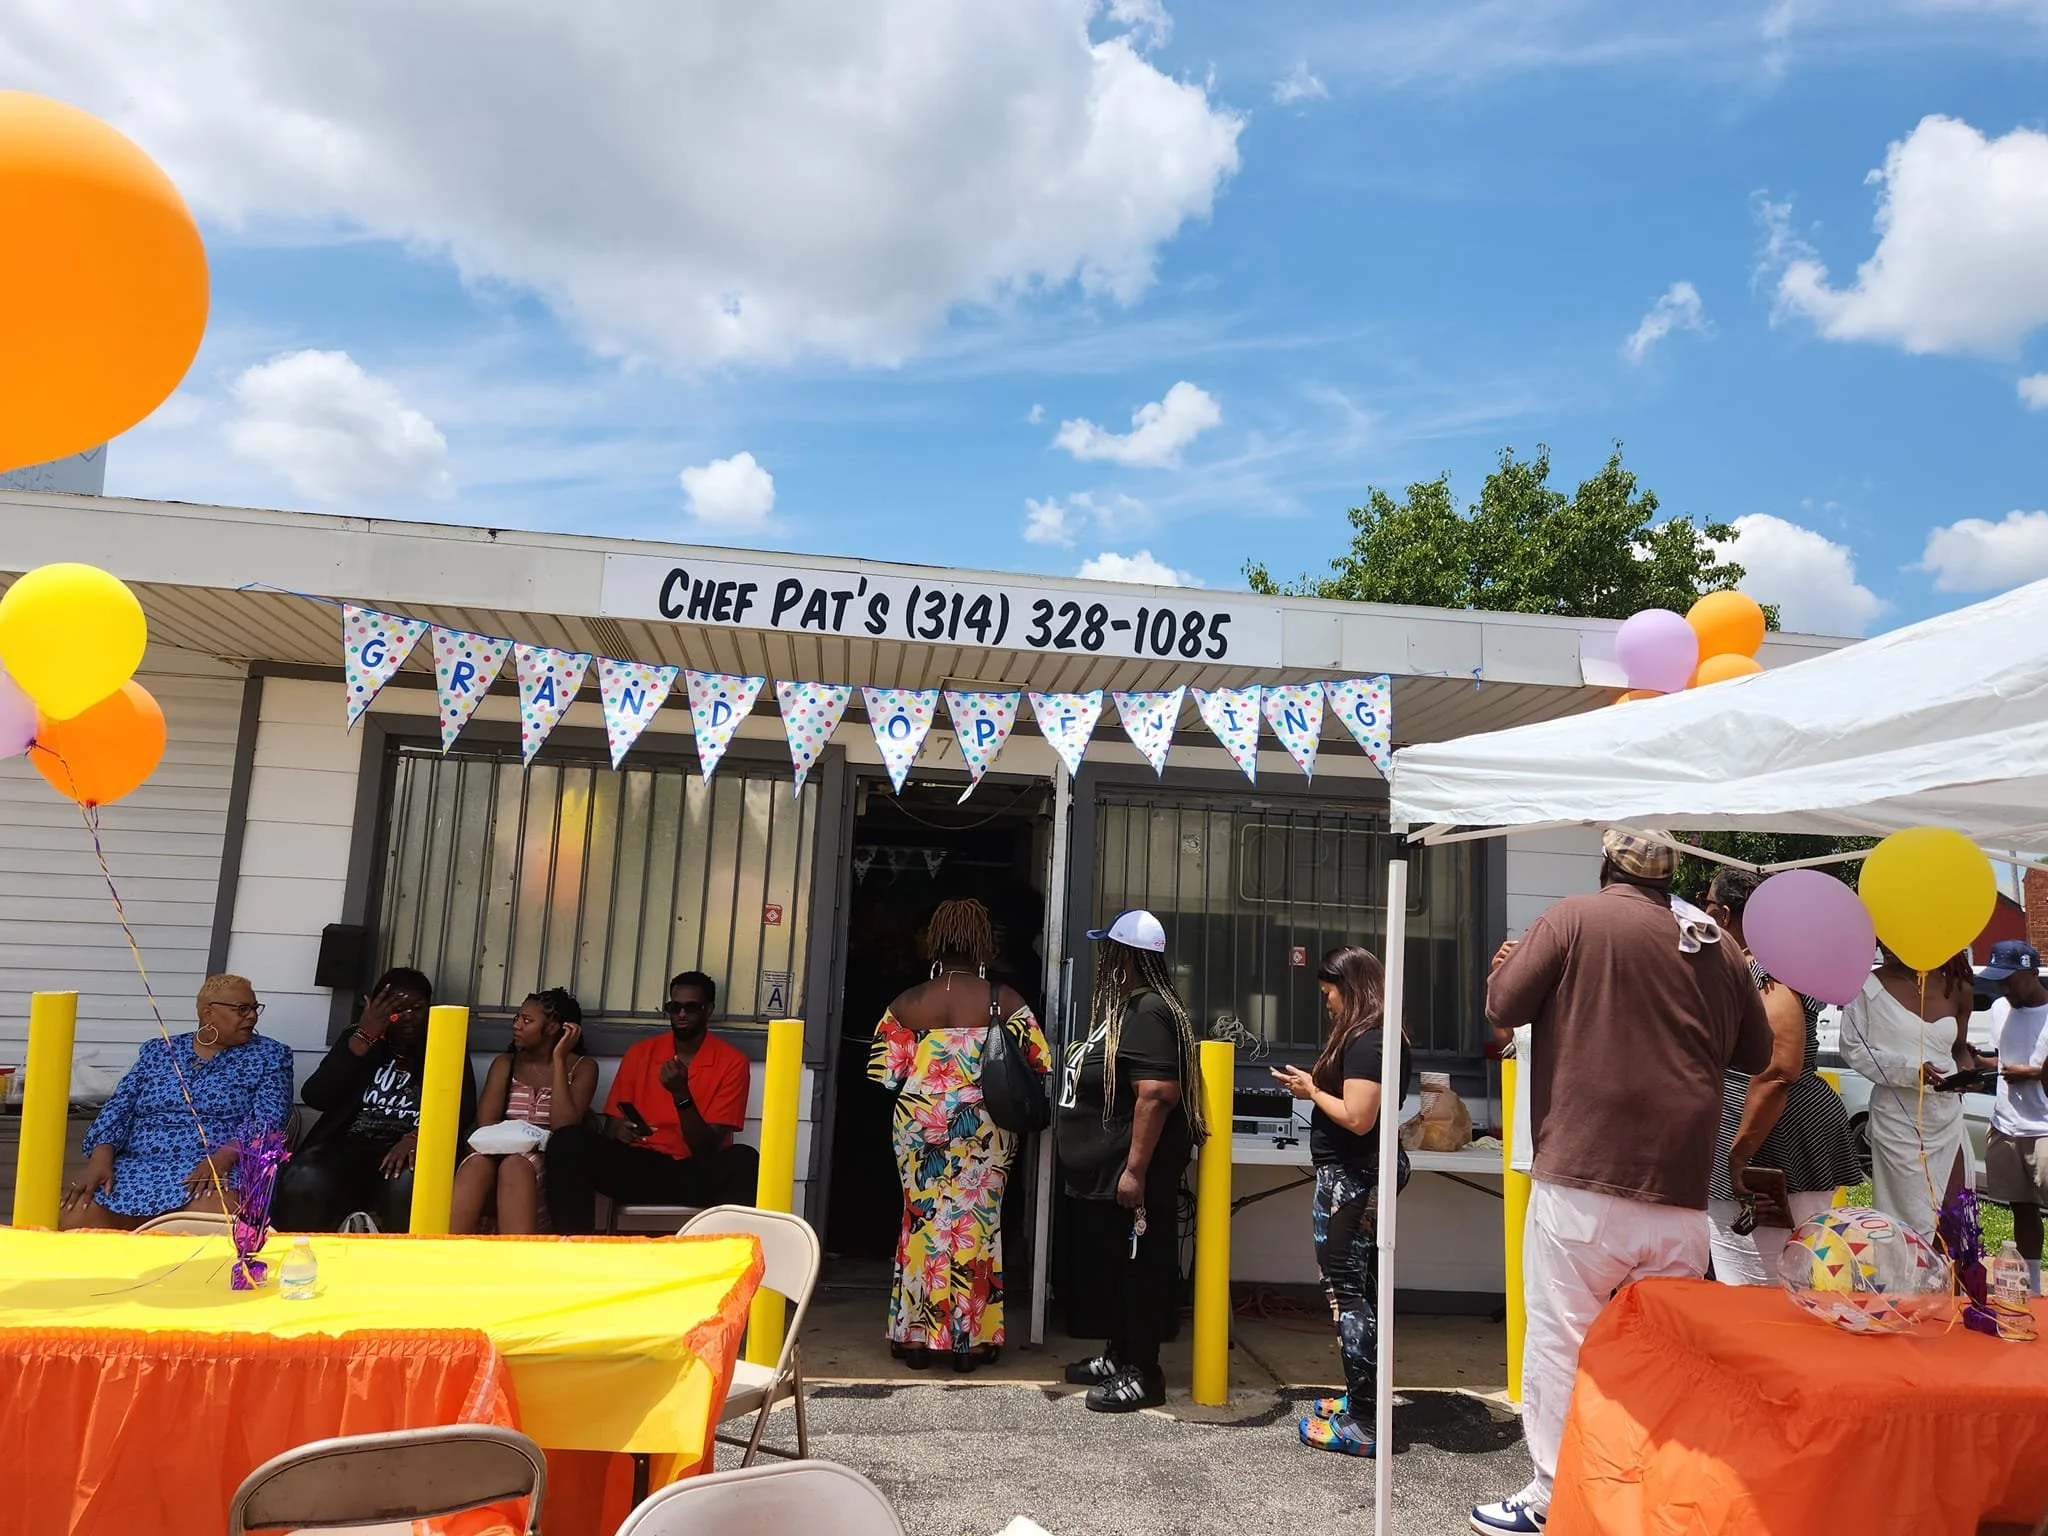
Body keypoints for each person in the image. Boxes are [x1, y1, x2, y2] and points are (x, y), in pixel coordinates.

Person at [1470, 830, 1771, 1536]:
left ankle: (1553, 1497)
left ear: (1606, 864)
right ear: (1672, 877)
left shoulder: (1573, 918)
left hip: (1583, 1175)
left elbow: (1503, 1007)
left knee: (1562, 1339)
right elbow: (1757, 1051)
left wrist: (1505, 969)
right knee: (1660, 1353)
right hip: (1679, 1187)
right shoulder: (1716, 945)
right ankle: (1649, 1496)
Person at [868, 898, 1051, 1373]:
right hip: (985, 1125)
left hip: (919, 1121)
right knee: (977, 1223)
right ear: (984, 945)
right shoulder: (1006, 1000)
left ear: (934, 942)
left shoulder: (906, 1003)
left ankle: (914, 1338)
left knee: (921, 1222)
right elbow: (1039, 1065)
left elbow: (885, 1076)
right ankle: (971, 1341)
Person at [1055, 908, 1206, 1413]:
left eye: (1109, 950)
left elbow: (1157, 1094)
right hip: (1108, 1175)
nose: (1103, 959)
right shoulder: (1132, 1007)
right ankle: (1119, 1355)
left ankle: (1144, 1372)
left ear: (1125, 956)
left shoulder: (1148, 1011)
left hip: (1133, 1176)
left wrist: (1135, 1171)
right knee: (1118, 1270)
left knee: (1140, 1271)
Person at [1271, 945, 1413, 1458]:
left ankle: (1365, 1421)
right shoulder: (1375, 1034)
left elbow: (1358, 1116)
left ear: (1350, 989)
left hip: (1353, 1178)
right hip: (1357, 1175)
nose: (1326, 1003)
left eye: (1329, 992)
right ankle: (1362, 1397)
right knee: (1360, 1288)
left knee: (1347, 1291)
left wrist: (1312, 1090)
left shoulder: (1369, 1039)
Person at [1699, 870, 1864, 1285]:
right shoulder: (1774, 966)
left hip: (1771, 1136)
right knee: (1787, 1276)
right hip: (1777, 1129)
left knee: (1760, 1282)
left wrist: (1738, 1155)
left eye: (1706, 903)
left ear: (1724, 914)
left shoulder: (1766, 973)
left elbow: (1777, 1069)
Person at [61, 974, 294, 1229]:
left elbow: (270, 1119)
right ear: (208, 1014)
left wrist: (223, 1158)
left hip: (216, 1164)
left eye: (254, 1008)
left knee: (212, 1217)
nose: (252, 1016)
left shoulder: (270, 1056)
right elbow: (118, 1108)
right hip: (137, 1166)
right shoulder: (159, 1051)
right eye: (242, 1009)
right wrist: (100, 1160)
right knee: (76, 1215)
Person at [546, 970, 759, 1233]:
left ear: (709, 1010)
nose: (681, 1014)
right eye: (674, 1007)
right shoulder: (641, 1053)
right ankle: (573, 1246)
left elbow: (706, 1148)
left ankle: (728, 1251)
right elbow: (612, 1127)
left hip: (693, 1172)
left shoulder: (732, 1062)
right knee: (567, 1140)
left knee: (744, 1160)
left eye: (691, 1007)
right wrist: (621, 1131)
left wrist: (681, 1094)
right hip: (640, 1165)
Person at [273, 968, 478, 1233]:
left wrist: (418, 1137)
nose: (408, 1017)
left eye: (417, 1008)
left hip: (409, 1147)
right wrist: (363, 1039)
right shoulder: (359, 1038)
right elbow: (316, 1096)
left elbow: (463, 1108)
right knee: (305, 1175)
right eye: (397, 1009)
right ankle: (304, 1251)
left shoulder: (444, 1043)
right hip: (351, 1143)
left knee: (406, 1181)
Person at [1840, 945, 1989, 1243]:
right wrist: (1909, 1070)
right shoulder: (1866, 988)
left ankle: (1950, 1274)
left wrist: (1968, 1075)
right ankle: (1908, 1273)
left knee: (1954, 1214)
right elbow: (1853, 1050)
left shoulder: (1956, 985)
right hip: (1898, 1119)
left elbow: (1959, 1049)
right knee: (1907, 1218)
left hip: (1946, 1114)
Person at [450, 988, 597, 1235]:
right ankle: (445, 1248)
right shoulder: (506, 1063)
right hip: (500, 1149)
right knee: (476, 1165)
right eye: (517, 1017)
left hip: (546, 1160)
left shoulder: (583, 1068)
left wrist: (559, 1060)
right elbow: (486, 1125)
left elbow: (564, 1128)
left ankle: (515, 1253)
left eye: (527, 1021)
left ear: (553, 1029)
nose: (516, 1025)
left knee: (515, 1167)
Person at [1977, 940, 2048, 1295]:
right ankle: (2033, 1287)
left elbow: (2029, 1067)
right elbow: (2003, 1059)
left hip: (2045, 1129)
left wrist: (2033, 1074)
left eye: (2011, 979)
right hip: (2006, 1127)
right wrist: (1978, 1063)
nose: (2004, 988)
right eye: (1999, 980)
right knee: (2022, 1209)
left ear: (2032, 972)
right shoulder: (1998, 1009)